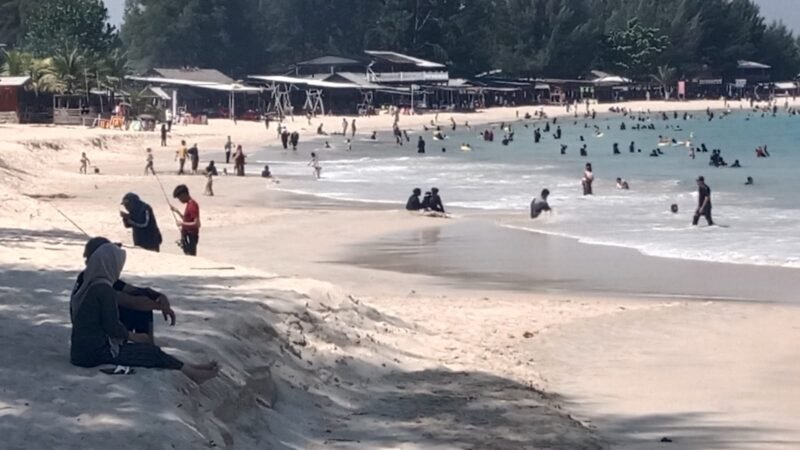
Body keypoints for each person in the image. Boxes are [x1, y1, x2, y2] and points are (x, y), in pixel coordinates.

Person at [70, 241, 218, 383]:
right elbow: (112, 326)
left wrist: (159, 298)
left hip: (84, 350)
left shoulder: (96, 281)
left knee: (147, 350)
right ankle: (192, 373)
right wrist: (135, 337)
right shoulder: (103, 289)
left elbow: (136, 292)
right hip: (93, 353)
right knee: (149, 353)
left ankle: (188, 367)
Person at [171, 185, 201, 256]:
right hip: (187, 235)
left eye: (179, 198)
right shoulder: (189, 204)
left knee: (190, 255)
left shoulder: (192, 205)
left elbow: (197, 224)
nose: (180, 200)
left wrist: (182, 224)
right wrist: (177, 211)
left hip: (191, 235)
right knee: (187, 255)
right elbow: (187, 219)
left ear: (184, 194)